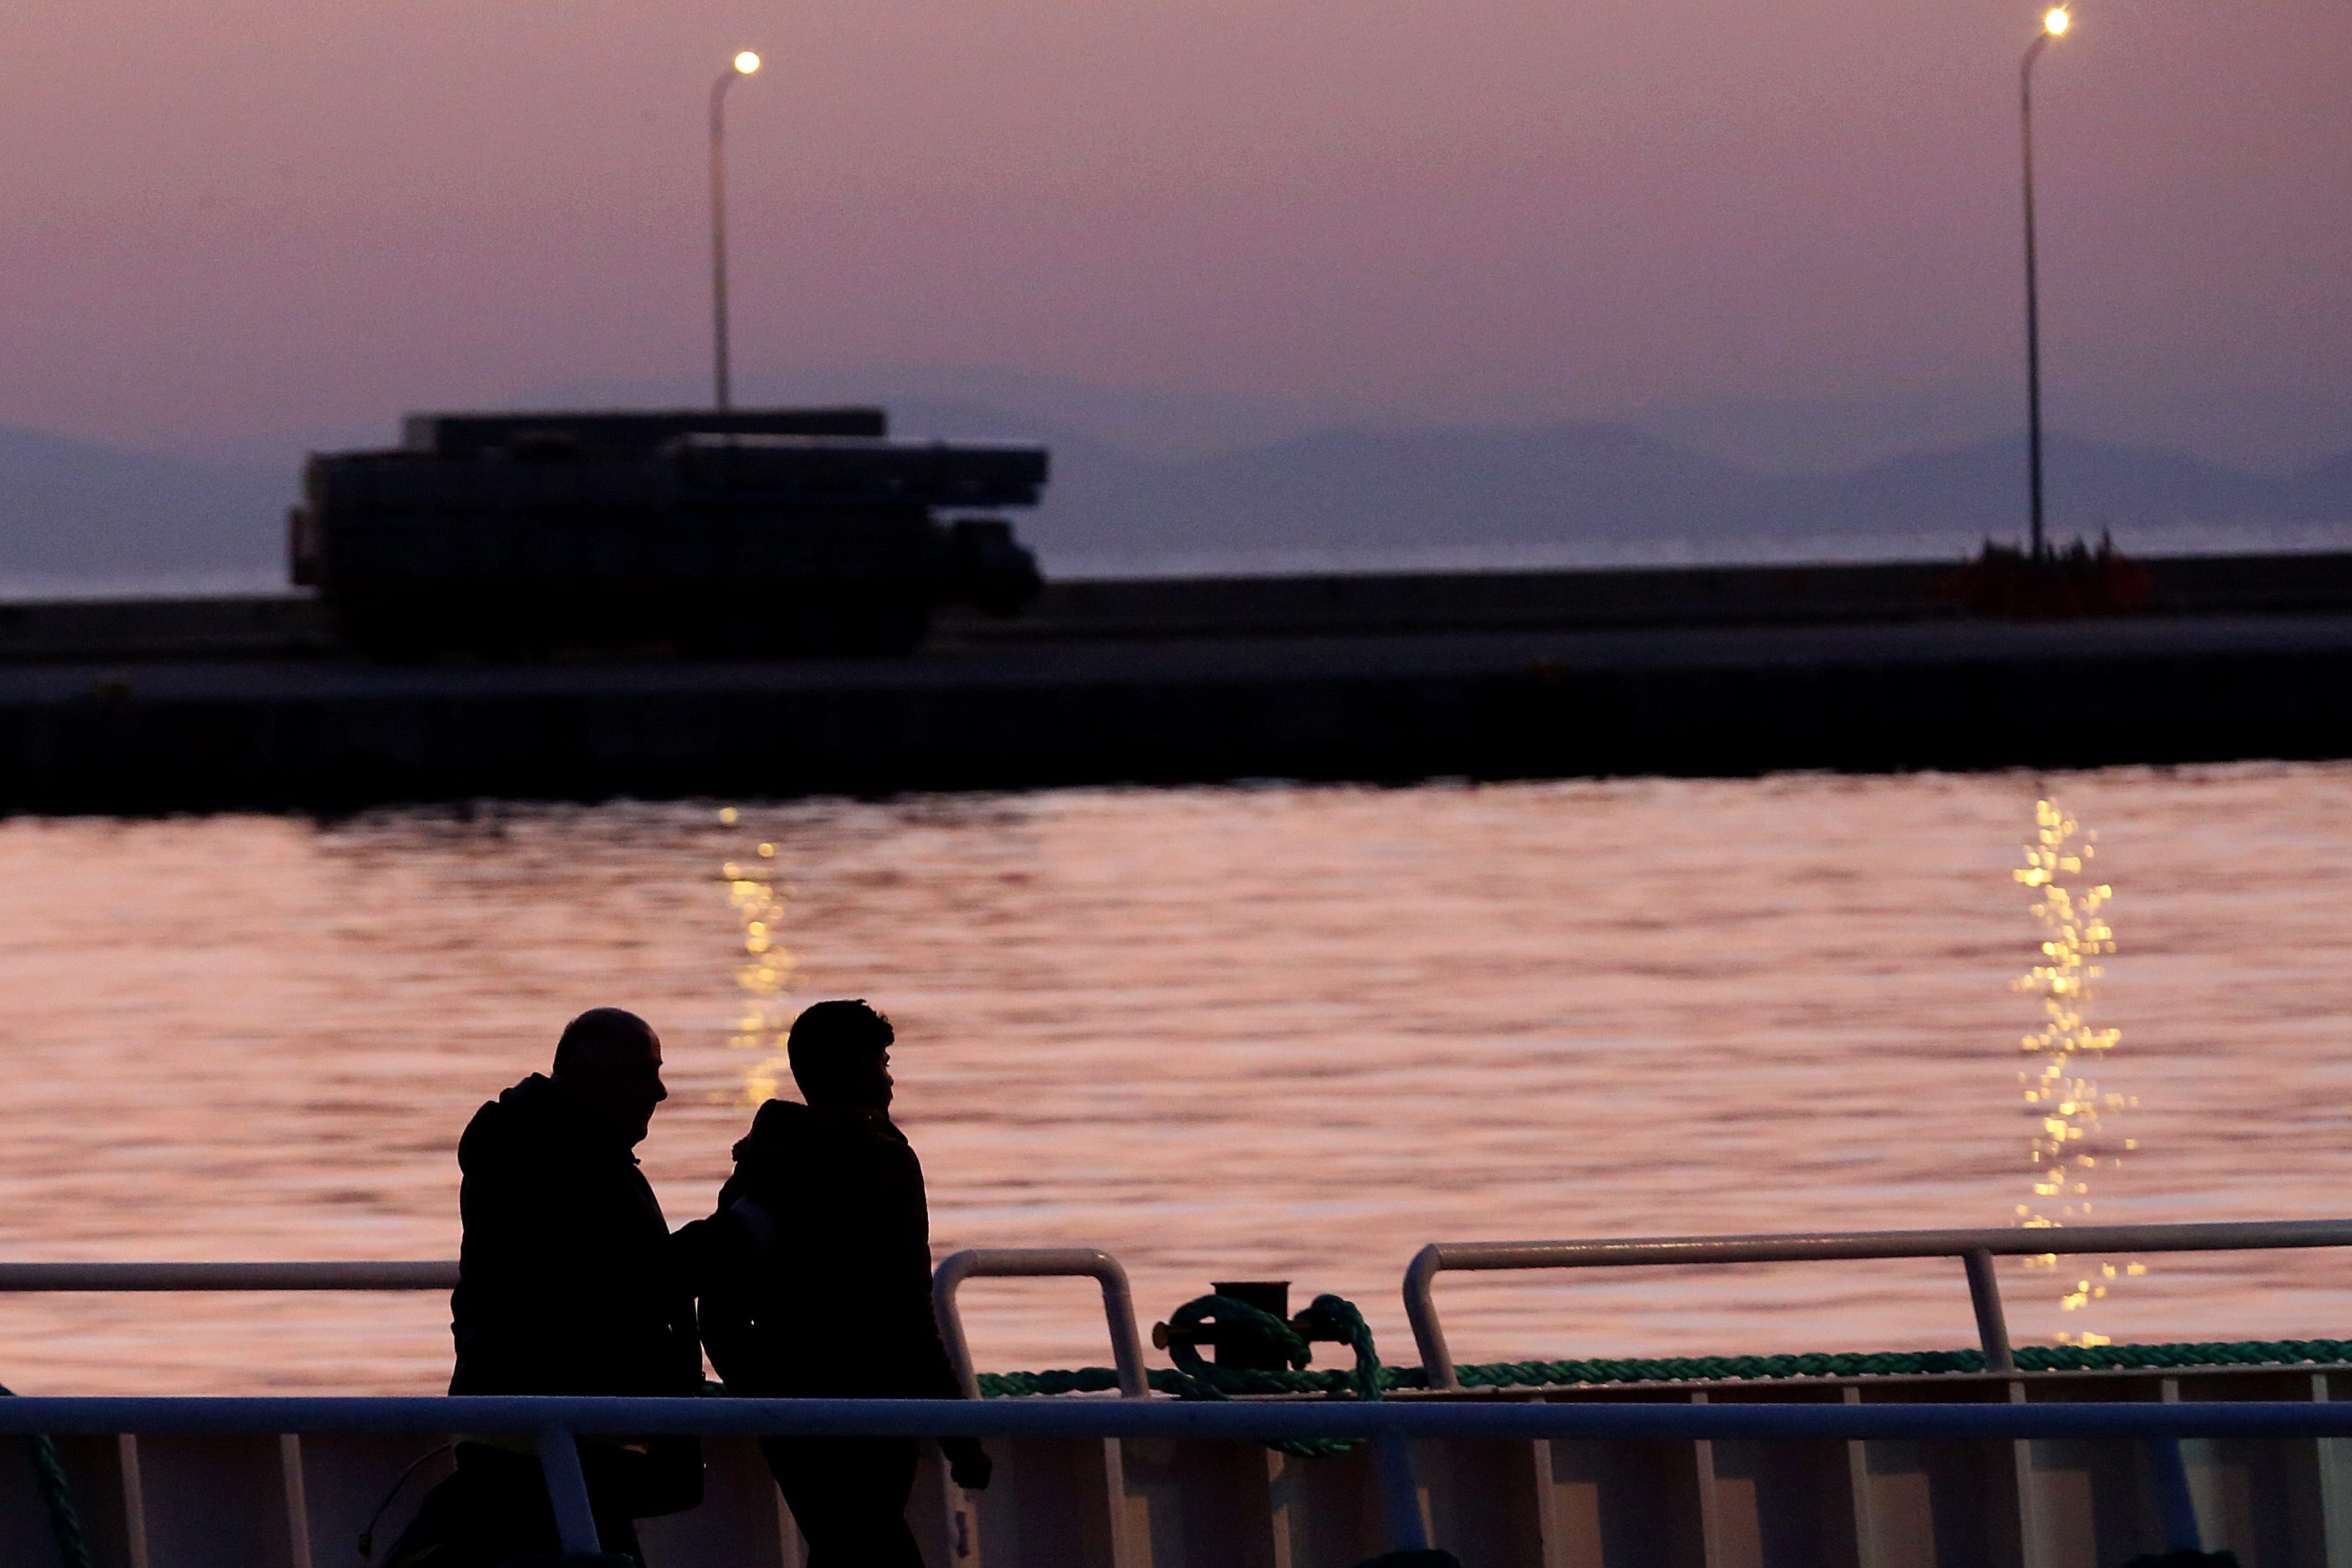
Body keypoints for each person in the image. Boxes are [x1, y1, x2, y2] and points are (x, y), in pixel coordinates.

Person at [388, 1008, 704, 1568]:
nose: (659, 1092)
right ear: (584, 1076)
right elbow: (619, 1281)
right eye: (640, 1074)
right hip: (553, 1439)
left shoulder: (549, 1147)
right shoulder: (554, 1163)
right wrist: (740, 1233)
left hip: (554, 1431)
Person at [691, 998, 991, 1567]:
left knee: (843, 1545)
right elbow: (907, 1310)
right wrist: (962, 1437)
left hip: (789, 1411)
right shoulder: (883, 1163)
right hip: (871, 1409)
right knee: (870, 1546)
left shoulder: (762, 1162)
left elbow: (719, 1304)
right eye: (880, 1061)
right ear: (853, 1069)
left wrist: (760, 1385)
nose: (890, 1077)